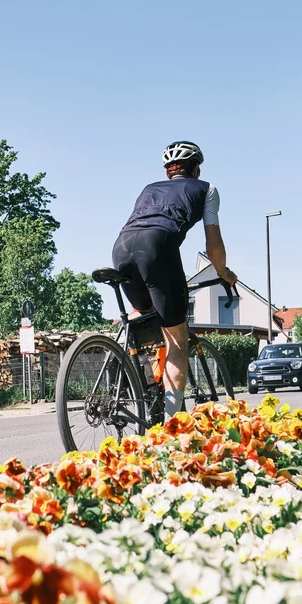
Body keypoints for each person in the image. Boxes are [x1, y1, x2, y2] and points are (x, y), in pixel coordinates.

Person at [112, 141, 237, 420]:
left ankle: (128, 365)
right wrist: (223, 272)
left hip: (121, 248)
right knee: (178, 341)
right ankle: (172, 425)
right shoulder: (207, 189)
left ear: (168, 171)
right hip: (157, 246)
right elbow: (214, 244)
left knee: (141, 312)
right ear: (196, 168)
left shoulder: (148, 189)